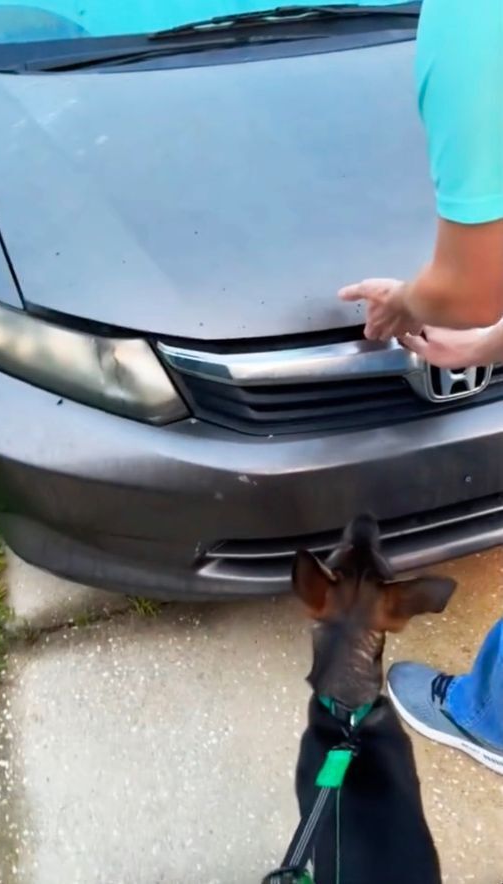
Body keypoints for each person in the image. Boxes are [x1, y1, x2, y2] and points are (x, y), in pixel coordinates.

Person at [338, 0, 503, 775]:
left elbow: (471, 282)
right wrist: (489, 344)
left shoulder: (476, 20)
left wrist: (407, 301)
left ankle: (489, 715)